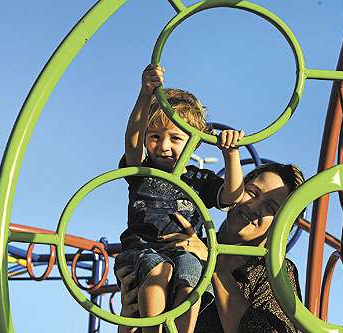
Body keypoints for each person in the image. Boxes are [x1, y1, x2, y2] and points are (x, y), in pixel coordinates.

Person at [114, 64, 246, 333]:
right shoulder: (142, 169)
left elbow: (232, 196)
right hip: (141, 251)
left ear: (193, 142)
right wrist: (145, 94)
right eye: (155, 137)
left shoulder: (198, 179)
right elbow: (133, 140)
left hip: (184, 251)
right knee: (157, 268)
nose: (163, 146)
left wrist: (232, 154)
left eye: (175, 138)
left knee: (192, 273)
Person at [160, 162, 306, 333]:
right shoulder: (188, 245)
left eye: (271, 208)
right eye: (252, 192)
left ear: (285, 224)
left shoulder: (273, 272)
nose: (253, 206)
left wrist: (215, 265)